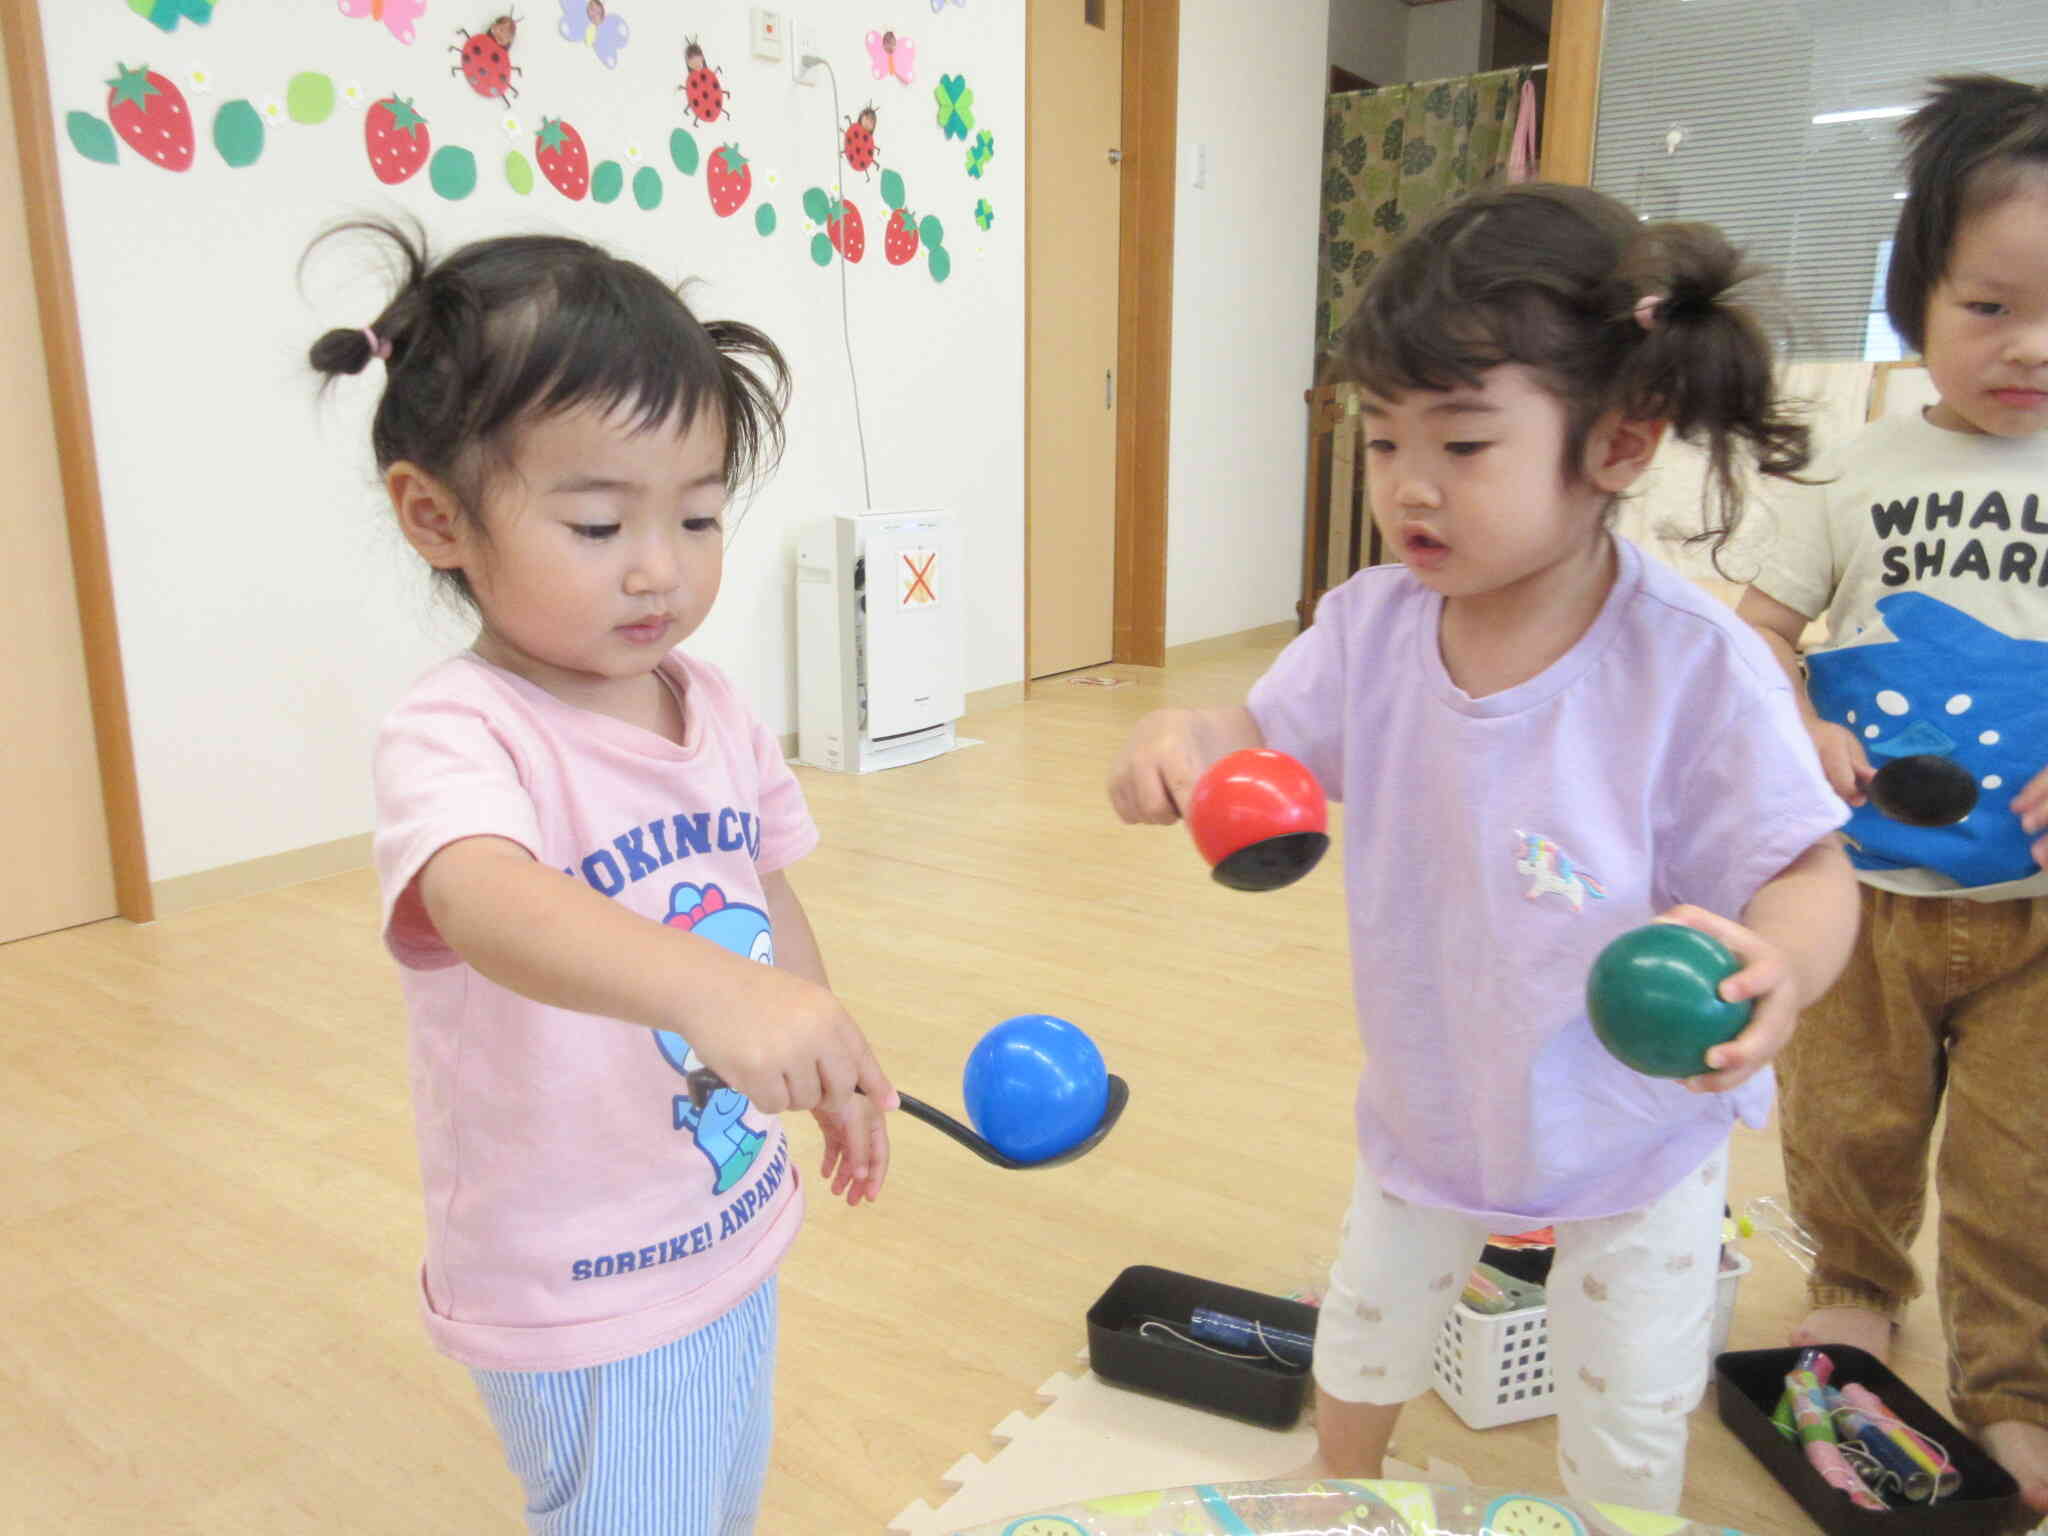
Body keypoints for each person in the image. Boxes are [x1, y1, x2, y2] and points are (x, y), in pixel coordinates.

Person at [1107, 183, 1859, 1512]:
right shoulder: (1372, 627)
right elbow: (1258, 736)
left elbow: (1809, 869)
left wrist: (1781, 967)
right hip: (1435, 1094)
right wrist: (1187, 730)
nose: (1407, 487)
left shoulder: (1693, 668)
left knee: (1630, 1393)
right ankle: (1345, 1487)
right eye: (1382, 440)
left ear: (1617, 444)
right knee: (1369, 1315)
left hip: (1636, 1126)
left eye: (1461, 445)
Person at [309, 222, 898, 1534]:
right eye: (597, 521)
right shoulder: (461, 733)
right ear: (436, 516)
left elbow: (766, 893)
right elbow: (483, 900)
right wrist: (716, 997)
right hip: (580, 1277)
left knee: (718, 1502)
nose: (660, 566)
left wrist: (821, 1039)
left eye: (697, 514)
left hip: (726, 1211)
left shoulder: (714, 706)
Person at [1737, 74, 2048, 1515]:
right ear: (1917, 295)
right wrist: (1796, 719)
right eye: (1990, 306)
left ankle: (2015, 1381)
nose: (2028, 346)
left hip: (2043, 910)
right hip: (1862, 889)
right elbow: (1753, 642)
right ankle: (1855, 1280)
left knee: (2023, 1161)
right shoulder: (1847, 469)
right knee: (1847, 1113)